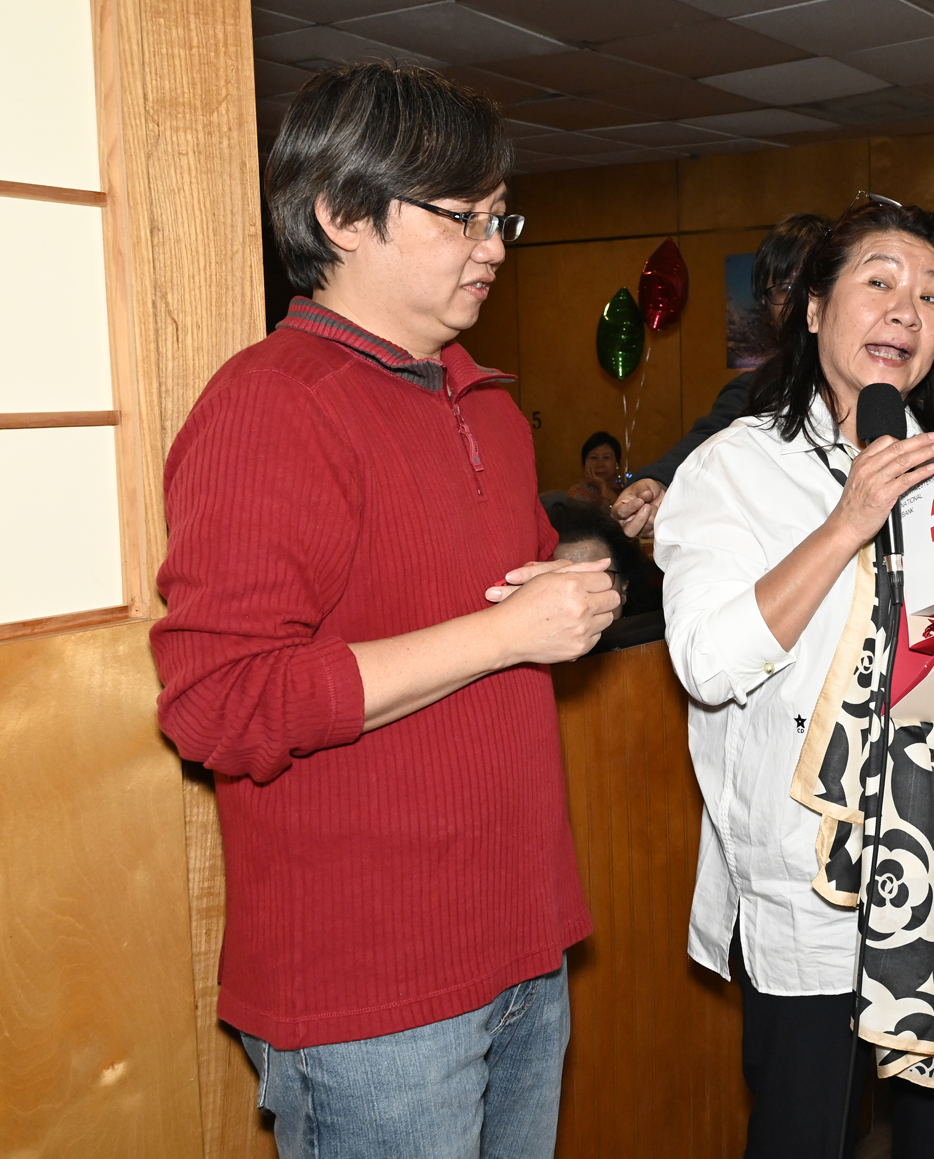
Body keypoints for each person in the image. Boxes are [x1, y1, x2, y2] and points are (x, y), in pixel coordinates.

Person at [152, 63, 622, 1158]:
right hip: (372, 988)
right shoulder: (271, 403)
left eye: (501, 217)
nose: (492, 245)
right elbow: (220, 702)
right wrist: (501, 635)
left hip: (521, 936)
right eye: (461, 216)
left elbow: (489, 602)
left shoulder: (484, 402)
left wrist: (570, 582)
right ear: (341, 214)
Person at [654, 198, 934, 1159]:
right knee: (805, 1130)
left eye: (932, 295)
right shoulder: (733, 468)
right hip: (809, 875)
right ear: (814, 308)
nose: (906, 310)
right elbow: (707, 662)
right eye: (879, 282)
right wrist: (846, 523)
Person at [612, 212, 830, 537]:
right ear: (766, 304)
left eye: (815, 284)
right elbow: (707, 440)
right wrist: (659, 481)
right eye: (785, 288)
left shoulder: (888, 376)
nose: (802, 300)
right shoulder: (758, 390)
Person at [542, 430, 621, 515]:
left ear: (617, 463)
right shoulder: (576, 495)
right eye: (594, 457)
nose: (600, 464)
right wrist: (602, 487)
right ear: (584, 464)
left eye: (606, 457)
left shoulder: (621, 488)